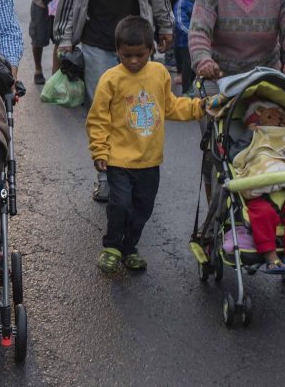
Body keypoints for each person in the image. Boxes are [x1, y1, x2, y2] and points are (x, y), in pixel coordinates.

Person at [52, 0, 174, 202]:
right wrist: (65, 38)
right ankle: (105, 175)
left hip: (136, 41)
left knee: (137, 110)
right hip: (96, 41)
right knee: (101, 112)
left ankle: (133, 170)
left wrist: (165, 26)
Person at [87, 16, 207, 272]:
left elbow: (171, 106)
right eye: (126, 55)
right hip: (118, 160)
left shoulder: (159, 73)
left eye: (139, 55)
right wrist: (99, 149)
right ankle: (111, 247)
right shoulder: (110, 79)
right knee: (120, 204)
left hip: (150, 160)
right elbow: (98, 118)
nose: (133, 61)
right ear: (117, 50)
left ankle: (130, 247)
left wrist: (199, 107)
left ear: (151, 50)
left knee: (143, 208)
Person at [232, 101, 285, 272]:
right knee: (261, 212)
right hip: (262, 185)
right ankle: (270, 254)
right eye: (269, 117)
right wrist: (249, 135)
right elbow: (235, 155)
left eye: (280, 118)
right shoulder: (252, 134)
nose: (276, 122)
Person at [171, 0, 202, 94]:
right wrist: (193, 34)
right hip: (185, 43)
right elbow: (180, 23)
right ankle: (186, 92)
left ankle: (192, 89)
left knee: (195, 66)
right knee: (188, 66)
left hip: (195, 40)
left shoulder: (195, 0)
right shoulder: (182, 3)